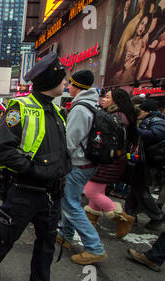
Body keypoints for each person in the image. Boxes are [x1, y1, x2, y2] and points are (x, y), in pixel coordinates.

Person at [0, 52, 72, 281]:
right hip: (24, 191)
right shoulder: (20, 107)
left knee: (47, 244)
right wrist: (34, 170)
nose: (66, 83)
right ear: (51, 80)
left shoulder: (57, 112)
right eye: (63, 78)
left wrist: (64, 169)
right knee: (5, 237)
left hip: (51, 195)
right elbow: (1, 149)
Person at [57, 70, 108, 265]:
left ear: (77, 86)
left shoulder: (79, 109)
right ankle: (66, 235)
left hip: (78, 164)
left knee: (70, 204)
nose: (68, 87)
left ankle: (94, 248)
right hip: (89, 163)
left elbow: (70, 143)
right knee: (73, 201)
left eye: (70, 84)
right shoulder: (94, 104)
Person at [83, 89, 138, 239]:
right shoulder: (120, 116)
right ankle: (89, 228)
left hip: (109, 160)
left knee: (91, 192)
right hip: (112, 160)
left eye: (107, 97)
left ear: (117, 101)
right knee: (97, 193)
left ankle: (122, 218)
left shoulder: (116, 117)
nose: (104, 100)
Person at [125, 99, 165, 229]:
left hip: (150, 161)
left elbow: (157, 134)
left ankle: (156, 216)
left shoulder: (157, 122)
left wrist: (136, 131)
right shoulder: (149, 121)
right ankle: (130, 215)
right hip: (143, 160)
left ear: (147, 111)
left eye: (141, 110)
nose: (139, 113)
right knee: (135, 188)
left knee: (141, 189)